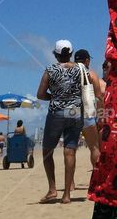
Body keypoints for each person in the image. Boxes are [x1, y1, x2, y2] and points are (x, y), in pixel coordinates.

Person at [36, 39, 98, 204]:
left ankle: (52, 189)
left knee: (47, 151)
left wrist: (55, 97)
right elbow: (91, 85)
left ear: (56, 54)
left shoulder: (50, 70)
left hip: (57, 112)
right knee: (70, 152)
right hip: (76, 112)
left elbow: (40, 94)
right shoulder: (81, 68)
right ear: (70, 53)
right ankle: (67, 195)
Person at [73, 48, 106, 167]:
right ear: (87, 61)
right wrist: (101, 116)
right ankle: (96, 176)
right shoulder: (91, 74)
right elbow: (99, 97)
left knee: (70, 151)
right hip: (87, 114)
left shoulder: (68, 74)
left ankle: (70, 185)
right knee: (94, 148)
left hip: (71, 113)